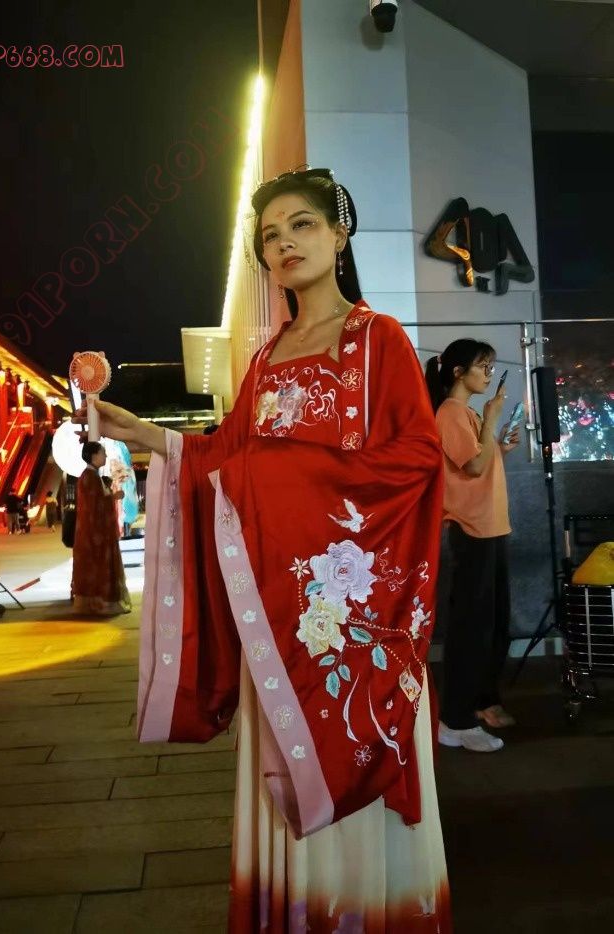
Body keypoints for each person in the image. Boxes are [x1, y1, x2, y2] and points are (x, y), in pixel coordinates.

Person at [74, 167, 450, 932]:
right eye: (269, 236)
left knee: (352, 776)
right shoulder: (268, 357)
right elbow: (223, 459)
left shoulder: (377, 340)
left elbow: (417, 460)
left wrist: (280, 472)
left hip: (347, 622)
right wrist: (140, 432)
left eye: (301, 225)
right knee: (282, 773)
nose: (284, 244)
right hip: (277, 624)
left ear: (340, 234)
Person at [425, 341, 521, 754]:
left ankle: (478, 704)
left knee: (493, 626)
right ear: (458, 372)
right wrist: (492, 419)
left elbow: (480, 462)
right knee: (471, 629)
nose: (488, 375)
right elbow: (474, 466)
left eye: (490, 368)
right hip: (472, 532)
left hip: (490, 528)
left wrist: (500, 446)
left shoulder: (465, 414)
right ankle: (455, 721)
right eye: (483, 367)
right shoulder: (449, 412)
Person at [71, 441, 131, 615]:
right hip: (97, 533)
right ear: (94, 455)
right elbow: (95, 505)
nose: (105, 456)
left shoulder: (90, 476)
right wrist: (114, 497)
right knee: (102, 568)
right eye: (102, 453)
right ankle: (103, 604)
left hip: (93, 532)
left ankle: (95, 603)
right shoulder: (90, 477)